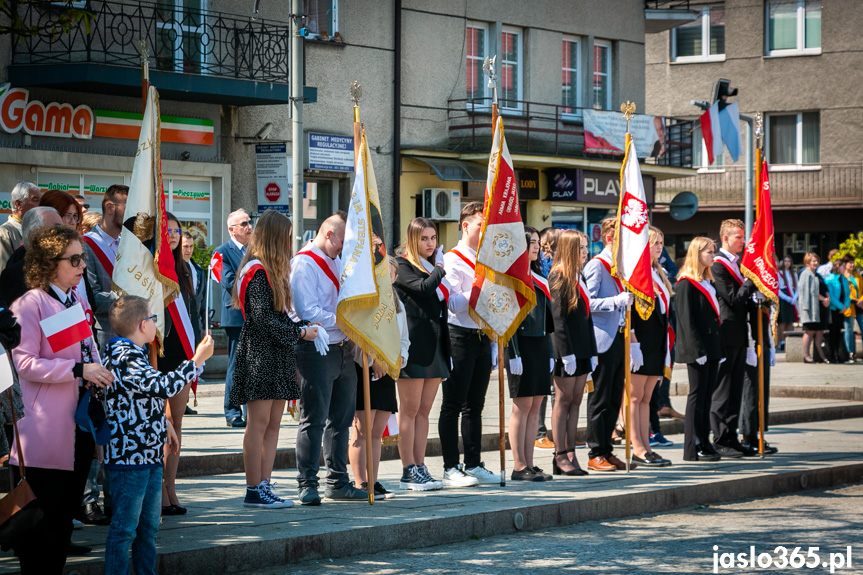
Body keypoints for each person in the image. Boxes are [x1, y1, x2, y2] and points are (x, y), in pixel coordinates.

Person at [9, 224, 114, 573]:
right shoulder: (30, 303)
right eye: (75, 259)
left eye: (82, 258)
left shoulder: (76, 300)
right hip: (44, 433)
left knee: (62, 527)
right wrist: (79, 370)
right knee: (39, 531)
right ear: (51, 262)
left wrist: (97, 371)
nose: (83, 266)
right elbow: (24, 363)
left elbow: (88, 351)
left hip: (78, 428)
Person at [103, 295, 213, 574]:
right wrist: (196, 360)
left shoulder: (134, 353)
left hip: (148, 455)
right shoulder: (124, 355)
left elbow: (143, 396)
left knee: (148, 529)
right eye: (152, 318)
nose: (156, 322)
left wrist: (165, 424)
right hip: (130, 459)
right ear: (142, 325)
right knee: (125, 530)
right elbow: (161, 386)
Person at [232, 210, 318, 508]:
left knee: (273, 424)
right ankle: (253, 488)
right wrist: (301, 334)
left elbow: (278, 318)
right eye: (286, 235)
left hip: (277, 353)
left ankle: (264, 484)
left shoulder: (271, 270)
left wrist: (300, 330)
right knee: (258, 423)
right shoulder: (256, 271)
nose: (290, 242)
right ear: (274, 237)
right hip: (259, 353)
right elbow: (262, 320)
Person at [292, 213, 369, 504]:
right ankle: (307, 483)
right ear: (328, 234)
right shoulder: (304, 263)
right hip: (316, 349)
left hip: (343, 348)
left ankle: (337, 481)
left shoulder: (337, 261)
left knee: (341, 418)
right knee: (313, 418)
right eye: (341, 241)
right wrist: (346, 321)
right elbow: (307, 311)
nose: (343, 248)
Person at [440, 202, 500, 486]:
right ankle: (451, 466)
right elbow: (452, 303)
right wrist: (479, 285)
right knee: (453, 403)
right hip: (459, 335)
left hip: (482, 335)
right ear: (466, 226)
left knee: (475, 404)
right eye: (480, 224)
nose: (484, 229)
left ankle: (474, 462)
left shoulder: (485, 258)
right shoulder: (452, 259)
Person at [394, 217, 450, 491]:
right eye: (424, 239)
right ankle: (408, 470)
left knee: (424, 411)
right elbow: (424, 288)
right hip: (413, 346)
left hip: (436, 345)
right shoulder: (403, 265)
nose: (430, 243)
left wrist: (436, 267)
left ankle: (421, 464)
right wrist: (440, 268)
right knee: (410, 409)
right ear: (413, 239)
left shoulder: (431, 266)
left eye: (433, 238)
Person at [348, 257, 409, 498]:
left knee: (376, 432)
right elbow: (358, 334)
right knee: (362, 430)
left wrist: (396, 360)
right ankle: (360, 482)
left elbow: (404, 338)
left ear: (395, 277)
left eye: (390, 274)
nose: (386, 278)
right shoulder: (366, 298)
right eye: (380, 273)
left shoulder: (397, 302)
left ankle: (373, 481)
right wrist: (373, 361)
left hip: (388, 370)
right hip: (365, 367)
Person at [582, 218, 636, 472]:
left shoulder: (619, 268)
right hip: (602, 339)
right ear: (610, 239)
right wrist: (615, 301)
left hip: (619, 337)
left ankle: (607, 448)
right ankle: (595, 451)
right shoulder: (597, 265)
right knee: (600, 398)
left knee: (615, 398)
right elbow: (587, 303)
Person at [159, 213, 202, 515]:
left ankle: (171, 486)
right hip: (156, 356)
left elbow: (194, 313)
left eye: (176, 230)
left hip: (181, 355)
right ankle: (159, 489)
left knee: (176, 422)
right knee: (161, 425)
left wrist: (197, 352)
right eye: (167, 230)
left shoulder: (184, 267)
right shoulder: (151, 266)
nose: (173, 235)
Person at [506, 227, 554, 481]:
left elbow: (547, 320)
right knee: (522, 406)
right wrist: (513, 353)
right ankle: (518, 465)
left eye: (537, 242)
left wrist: (551, 352)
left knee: (535, 405)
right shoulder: (514, 277)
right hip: (521, 345)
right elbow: (510, 317)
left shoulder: (539, 275)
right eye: (531, 243)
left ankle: (531, 463)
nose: (537, 247)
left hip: (539, 344)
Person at [548, 229, 595, 476]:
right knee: (563, 400)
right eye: (581, 249)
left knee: (576, 400)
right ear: (569, 250)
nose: (586, 253)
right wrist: (565, 353)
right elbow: (558, 320)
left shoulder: (579, 276)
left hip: (583, 348)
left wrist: (593, 351)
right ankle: (559, 455)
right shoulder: (559, 276)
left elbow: (587, 318)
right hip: (567, 350)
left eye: (586, 248)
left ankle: (571, 452)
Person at [710, 219, 757, 458]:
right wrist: (751, 281)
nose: (743, 241)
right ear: (725, 238)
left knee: (736, 388)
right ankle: (719, 439)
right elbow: (732, 298)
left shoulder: (738, 264)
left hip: (740, 331)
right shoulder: (717, 266)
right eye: (738, 237)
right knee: (724, 388)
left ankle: (732, 435)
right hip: (726, 332)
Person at [627, 227, 673, 467]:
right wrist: (633, 341)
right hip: (641, 341)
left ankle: (646, 445)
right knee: (635, 398)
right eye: (655, 242)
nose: (659, 247)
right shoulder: (637, 272)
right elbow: (632, 310)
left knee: (647, 397)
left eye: (661, 242)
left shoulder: (658, 272)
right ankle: (637, 447)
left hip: (656, 342)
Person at [675, 237, 723, 462]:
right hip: (698, 349)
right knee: (697, 395)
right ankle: (693, 445)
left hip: (712, 347)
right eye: (709, 252)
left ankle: (705, 441)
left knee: (707, 396)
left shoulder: (706, 281)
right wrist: (697, 350)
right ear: (697, 254)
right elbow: (686, 320)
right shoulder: (686, 283)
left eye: (714, 251)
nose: (713, 256)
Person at [214, 209, 253, 428]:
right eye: (244, 223)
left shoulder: (255, 251)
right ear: (232, 229)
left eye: (250, 222)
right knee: (236, 366)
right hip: (237, 318)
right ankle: (232, 412)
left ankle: (250, 411)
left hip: (256, 317)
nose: (249, 226)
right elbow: (229, 282)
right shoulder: (221, 253)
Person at [83, 184, 128, 353]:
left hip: (133, 338)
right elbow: (90, 297)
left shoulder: (128, 244)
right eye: (127, 208)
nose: (134, 214)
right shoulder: (86, 245)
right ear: (110, 207)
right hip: (106, 338)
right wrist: (130, 300)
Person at [0, 206, 63, 306]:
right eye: (56, 229)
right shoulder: (15, 276)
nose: (64, 236)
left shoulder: (64, 265)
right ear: (34, 235)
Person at [535, 226, 561, 450]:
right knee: (545, 383)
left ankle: (555, 432)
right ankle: (539, 432)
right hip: (546, 326)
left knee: (555, 385)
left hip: (557, 326)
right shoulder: (545, 263)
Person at [798, 252, 830, 363]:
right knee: (809, 331)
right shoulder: (806, 274)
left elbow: (824, 287)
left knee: (820, 331)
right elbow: (811, 292)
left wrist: (827, 298)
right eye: (813, 261)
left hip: (819, 309)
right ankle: (806, 356)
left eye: (817, 260)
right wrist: (823, 299)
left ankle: (821, 355)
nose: (816, 263)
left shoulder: (817, 274)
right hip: (810, 309)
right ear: (807, 262)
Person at [0, 182, 40, 269]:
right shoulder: (4, 233)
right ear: (19, 204)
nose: (40, 204)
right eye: (35, 199)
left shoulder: (37, 231)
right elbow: (5, 272)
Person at [824, 257, 851, 363]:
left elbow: (847, 294)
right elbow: (831, 296)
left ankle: (838, 354)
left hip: (842, 310)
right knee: (832, 333)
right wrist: (841, 306)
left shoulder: (844, 278)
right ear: (837, 266)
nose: (845, 267)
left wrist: (846, 306)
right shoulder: (829, 279)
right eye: (843, 266)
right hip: (833, 310)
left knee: (839, 332)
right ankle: (832, 355)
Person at [842, 259, 863, 363]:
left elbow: (862, 289)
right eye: (850, 263)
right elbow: (845, 292)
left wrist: (861, 300)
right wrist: (856, 301)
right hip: (850, 305)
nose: (852, 264)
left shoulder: (858, 275)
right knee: (849, 329)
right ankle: (850, 352)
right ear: (845, 265)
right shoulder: (843, 276)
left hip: (861, 305)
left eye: (853, 263)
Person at [777, 255, 799, 348]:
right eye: (785, 261)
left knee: (790, 321)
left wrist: (794, 298)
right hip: (783, 298)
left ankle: (789, 341)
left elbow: (798, 287)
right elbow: (777, 288)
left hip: (792, 297)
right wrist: (787, 298)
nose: (787, 263)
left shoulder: (794, 274)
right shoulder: (779, 273)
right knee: (782, 321)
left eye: (789, 261)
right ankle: (781, 341)